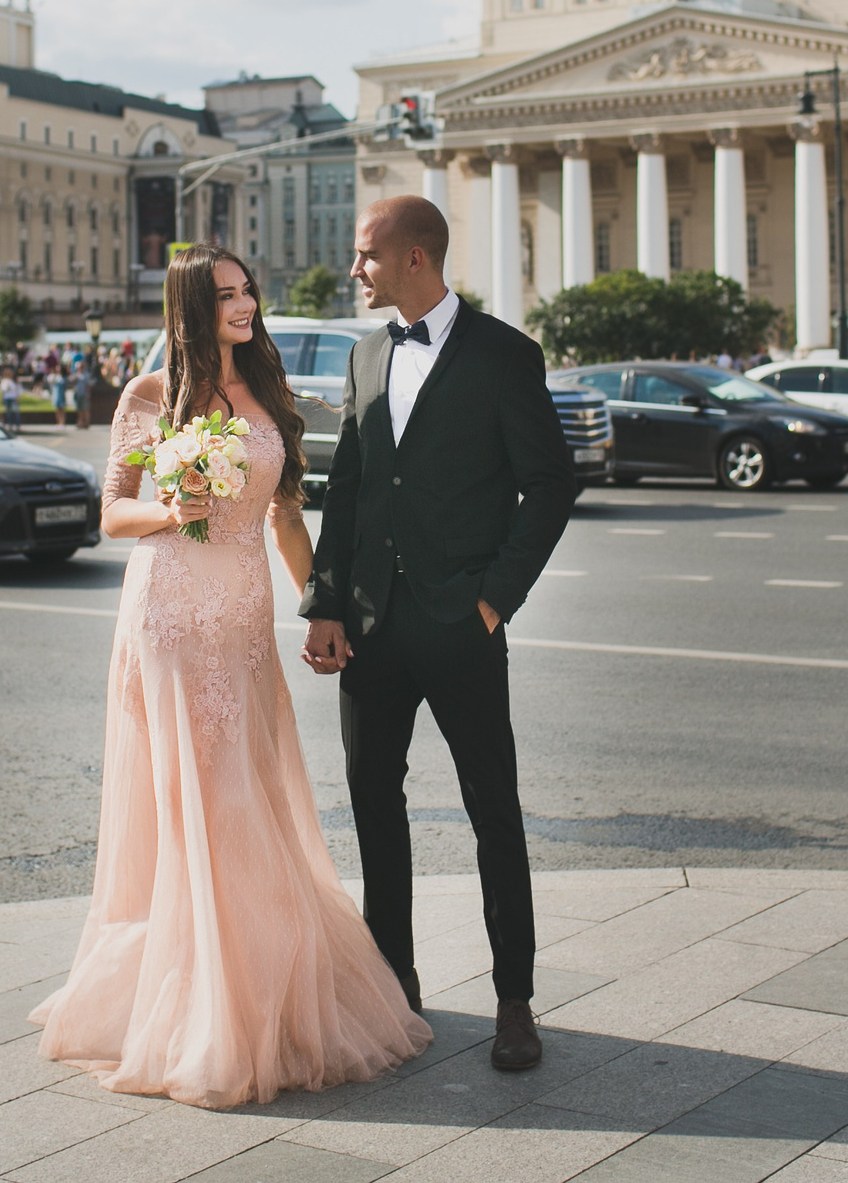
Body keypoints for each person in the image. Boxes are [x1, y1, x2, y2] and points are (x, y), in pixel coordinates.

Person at [35, 244, 429, 1108]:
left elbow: (286, 521)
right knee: (200, 801)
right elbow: (112, 513)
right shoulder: (149, 397)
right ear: (190, 306)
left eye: (248, 289)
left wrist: (320, 605)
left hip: (244, 620)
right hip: (170, 615)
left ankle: (255, 976)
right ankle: (205, 1005)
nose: (245, 304)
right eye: (225, 294)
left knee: (248, 790)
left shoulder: (269, 395)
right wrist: (172, 507)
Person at [298, 196, 576, 1072]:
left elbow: (552, 484)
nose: (356, 271)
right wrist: (327, 604)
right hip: (373, 626)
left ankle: (515, 1003)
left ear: (415, 256)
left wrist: (497, 597)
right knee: (376, 805)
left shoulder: (504, 355)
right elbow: (347, 485)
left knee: (494, 810)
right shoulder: (365, 352)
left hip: (462, 623)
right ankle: (397, 988)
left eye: (365, 255)